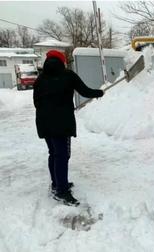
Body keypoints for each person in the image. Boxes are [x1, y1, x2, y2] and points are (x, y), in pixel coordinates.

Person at [33, 50, 104, 206]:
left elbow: (36, 102)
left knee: (54, 153)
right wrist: (99, 92)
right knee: (62, 156)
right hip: (61, 124)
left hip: (44, 122)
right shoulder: (68, 75)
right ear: (62, 61)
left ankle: (56, 184)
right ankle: (62, 191)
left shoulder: (40, 79)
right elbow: (85, 91)